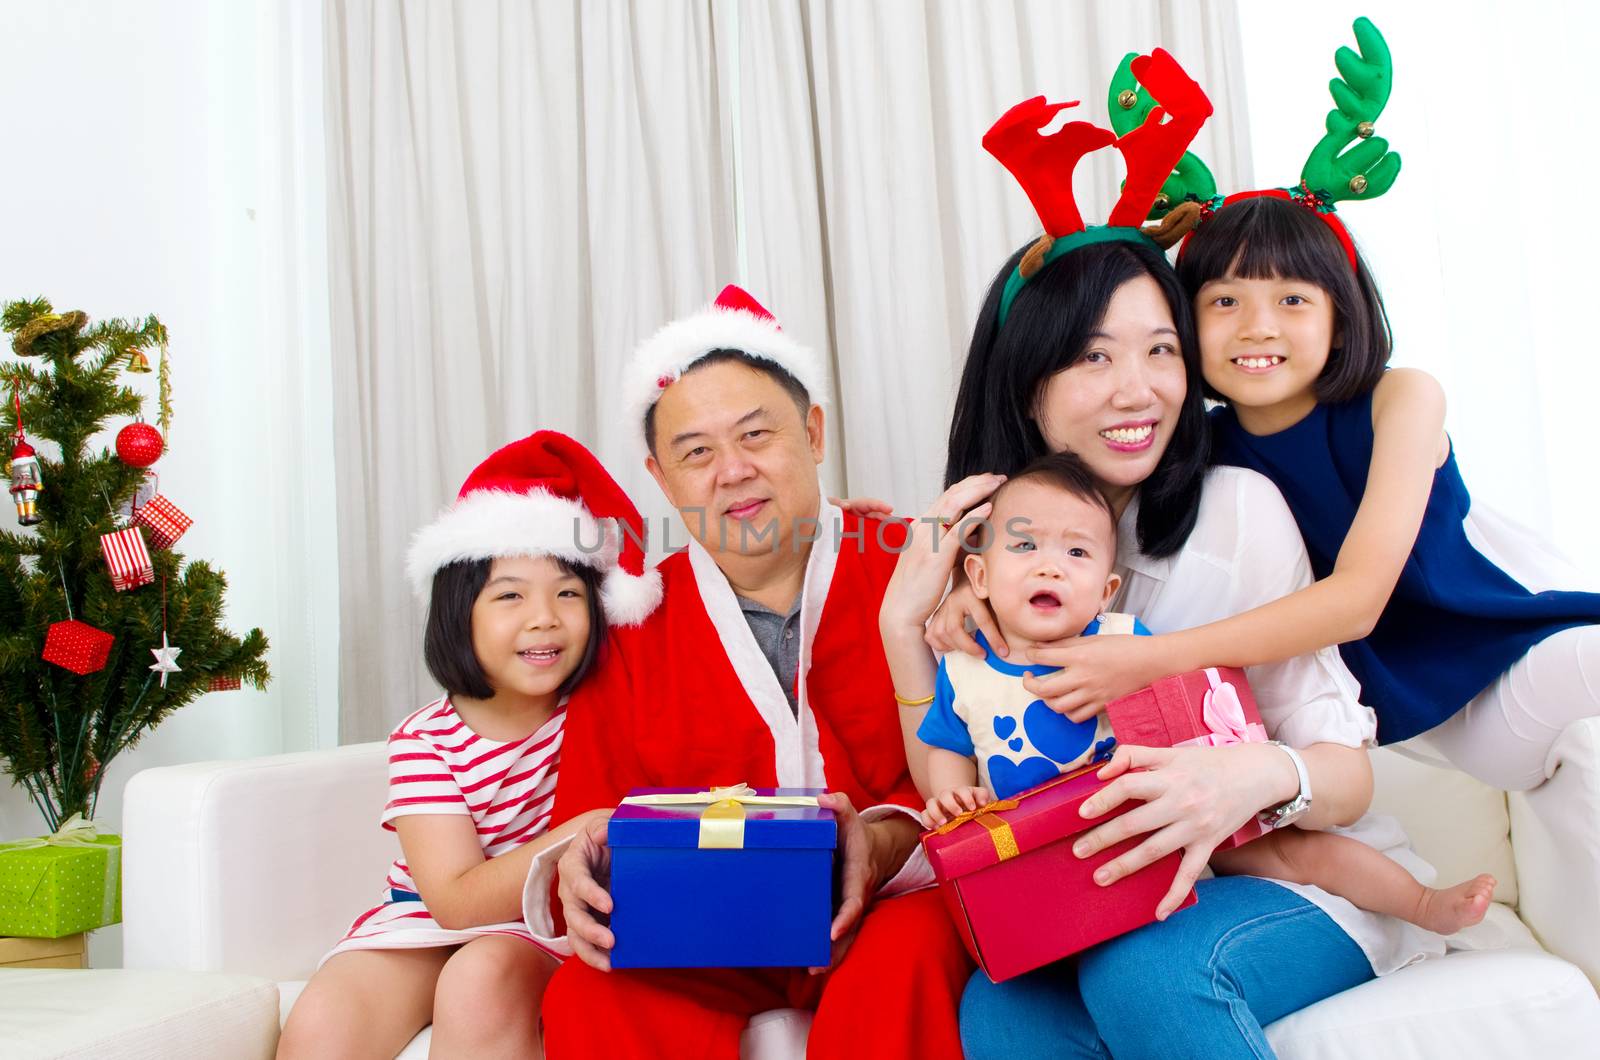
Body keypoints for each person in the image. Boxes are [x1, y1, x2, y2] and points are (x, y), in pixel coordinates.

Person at [928, 47, 1448, 1056]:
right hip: (1092, 894)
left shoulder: (1235, 511)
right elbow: (960, 777)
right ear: (1024, 381)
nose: (1141, 389)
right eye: (1093, 356)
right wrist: (906, 626)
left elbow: (1346, 774)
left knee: (1152, 964)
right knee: (998, 1002)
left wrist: (1245, 779)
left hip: (1301, 882)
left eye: (1161, 348)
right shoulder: (993, 550)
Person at [1010, 18, 1600, 793]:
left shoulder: (1403, 399)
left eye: (1292, 297)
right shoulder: (1195, 449)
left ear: (1341, 312)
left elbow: (1357, 601)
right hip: (1416, 721)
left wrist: (1151, 659)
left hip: (1501, 664)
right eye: (1225, 301)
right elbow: (1065, 525)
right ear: (1187, 326)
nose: (1259, 327)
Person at [523, 285, 970, 1060]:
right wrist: (578, 868)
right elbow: (591, 815)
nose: (732, 471)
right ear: (661, 479)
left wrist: (888, 838)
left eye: (756, 434)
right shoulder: (631, 626)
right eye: (696, 452)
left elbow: (999, 759)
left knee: (909, 957)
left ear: (814, 432)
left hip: (894, 910)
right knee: (591, 994)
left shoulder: (921, 567)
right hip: (704, 932)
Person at [897, 451, 1495, 937]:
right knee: (1009, 917)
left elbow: (1188, 710)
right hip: (1043, 847)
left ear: (1107, 591)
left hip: (1169, 824)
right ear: (978, 576)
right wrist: (955, 799)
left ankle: (1420, 903)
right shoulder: (964, 666)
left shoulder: (1128, 641)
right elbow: (946, 739)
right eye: (1026, 547)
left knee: (1290, 854)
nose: (1050, 567)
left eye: (1075, 552)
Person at [277, 431, 663, 1060]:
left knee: (481, 978)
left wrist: (824, 524)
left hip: (536, 923)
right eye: (510, 595)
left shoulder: (599, 706)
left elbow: (702, 582)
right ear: (459, 614)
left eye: (568, 593)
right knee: (323, 1022)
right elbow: (452, 901)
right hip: (424, 920)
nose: (544, 617)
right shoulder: (426, 739)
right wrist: (586, 827)